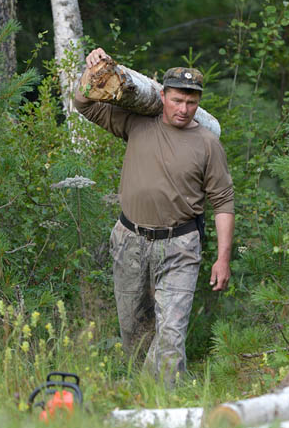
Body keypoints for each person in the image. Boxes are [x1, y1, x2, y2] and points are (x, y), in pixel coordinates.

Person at [74, 48, 235, 387]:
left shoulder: (208, 143)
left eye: (191, 102)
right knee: (134, 331)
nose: (184, 109)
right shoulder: (137, 123)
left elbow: (223, 201)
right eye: (177, 100)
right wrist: (94, 70)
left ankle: (168, 404)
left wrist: (222, 258)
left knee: (171, 335)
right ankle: (141, 400)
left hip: (180, 245)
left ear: (199, 102)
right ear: (162, 96)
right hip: (130, 240)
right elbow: (85, 104)